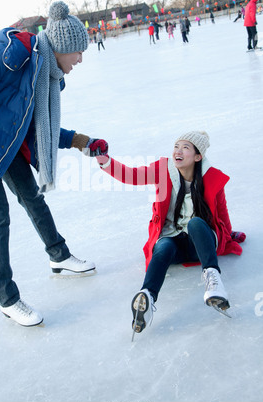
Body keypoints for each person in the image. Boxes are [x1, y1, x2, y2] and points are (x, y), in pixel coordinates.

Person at [0, 1, 108, 327]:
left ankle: (59, 256)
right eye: (78, 53)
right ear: (63, 47)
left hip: (7, 142)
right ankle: (7, 298)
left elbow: (38, 126)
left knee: (32, 197)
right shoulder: (12, 50)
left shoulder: (49, 78)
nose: (81, 60)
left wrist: (81, 141)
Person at [96, 131, 245, 335]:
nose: (178, 151)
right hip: (173, 240)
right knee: (163, 245)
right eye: (176, 146)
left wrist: (229, 235)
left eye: (185, 147)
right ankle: (147, 297)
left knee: (195, 224)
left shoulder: (211, 177)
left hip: (200, 242)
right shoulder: (162, 170)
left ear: (198, 156)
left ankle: (214, 282)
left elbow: (222, 211)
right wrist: (103, 159)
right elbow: (131, 175)